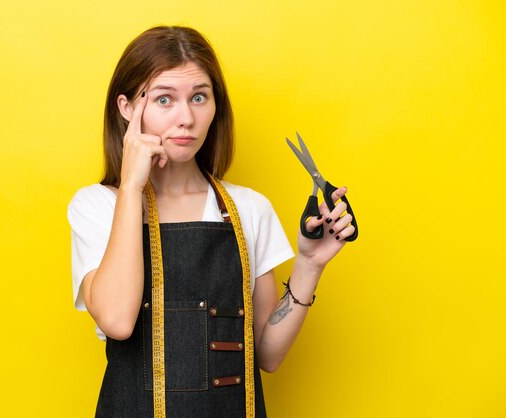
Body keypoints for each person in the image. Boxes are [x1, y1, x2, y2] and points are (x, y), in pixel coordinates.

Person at [67, 26, 355, 418]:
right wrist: (132, 185)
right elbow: (117, 320)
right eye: (164, 99)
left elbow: (267, 355)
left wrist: (310, 264)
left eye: (199, 97)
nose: (186, 118)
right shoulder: (97, 205)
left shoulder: (249, 208)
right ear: (127, 109)